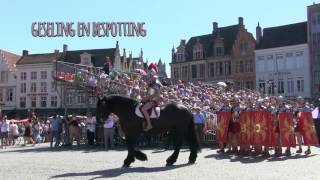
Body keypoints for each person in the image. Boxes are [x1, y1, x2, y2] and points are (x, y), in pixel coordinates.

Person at [141, 63, 162, 131]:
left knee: (143, 109)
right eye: (149, 75)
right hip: (149, 99)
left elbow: (156, 94)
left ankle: (149, 125)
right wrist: (145, 97)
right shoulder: (151, 82)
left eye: (150, 75)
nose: (149, 77)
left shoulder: (156, 83)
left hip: (154, 100)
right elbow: (149, 92)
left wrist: (147, 98)